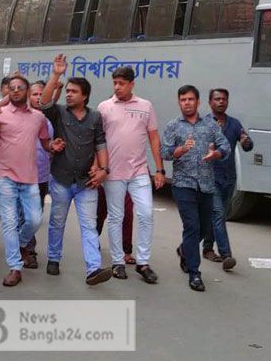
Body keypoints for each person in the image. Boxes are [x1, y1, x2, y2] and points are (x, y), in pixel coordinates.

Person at [37, 55, 111, 283]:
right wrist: (56, 74)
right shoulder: (59, 113)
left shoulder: (96, 117)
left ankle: (93, 269)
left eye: (73, 91)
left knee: (89, 225)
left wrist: (103, 170)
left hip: (86, 183)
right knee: (57, 221)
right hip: (60, 179)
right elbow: (44, 102)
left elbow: (100, 144)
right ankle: (53, 259)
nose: (68, 94)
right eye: (67, 91)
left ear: (85, 96)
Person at [0, 76, 50, 287]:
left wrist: (53, 145)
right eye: (12, 88)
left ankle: (19, 244)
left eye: (20, 88)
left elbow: (45, 143)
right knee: (9, 222)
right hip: (5, 175)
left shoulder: (39, 118)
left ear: (28, 91)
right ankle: (15, 267)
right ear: (7, 92)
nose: (16, 91)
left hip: (30, 177)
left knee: (35, 220)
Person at [98, 66, 163, 283]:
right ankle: (118, 262)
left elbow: (154, 138)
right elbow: (98, 141)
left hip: (139, 172)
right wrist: (99, 167)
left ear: (132, 84)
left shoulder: (146, 106)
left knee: (146, 214)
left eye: (122, 83)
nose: (117, 87)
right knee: (116, 217)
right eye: (114, 83)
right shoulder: (104, 107)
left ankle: (143, 263)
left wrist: (159, 169)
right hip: (113, 173)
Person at [162, 85, 231, 292]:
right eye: (183, 99)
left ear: (198, 102)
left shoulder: (210, 125)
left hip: (207, 184)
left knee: (205, 227)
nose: (187, 103)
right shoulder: (173, 126)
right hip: (183, 184)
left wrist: (216, 154)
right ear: (179, 102)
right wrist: (179, 150)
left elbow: (225, 146)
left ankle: (184, 250)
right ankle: (195, 273)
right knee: (191, 227)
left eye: (190, 99)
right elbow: (164, 152)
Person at [201, 88, 252, 270]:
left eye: (224, 99)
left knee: (214, 216)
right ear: (210, 102)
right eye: (217, 99)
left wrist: (246, 141)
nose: (221, 102)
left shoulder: (235, 124)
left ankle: (207, 248)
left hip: (229, 179)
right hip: (210, 177)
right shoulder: (204, 123)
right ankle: (226, 255)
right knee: (218, 214)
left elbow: (248, 145)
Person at [17, 80, 56, 268]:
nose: (39, 98)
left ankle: (25, 246)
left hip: (40, 176)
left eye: (42, 94)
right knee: (20, 214)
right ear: (27, 96)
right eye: (35, 94)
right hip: (17, 173)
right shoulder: (18, 116)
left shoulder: (46, 121)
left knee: (34, 216)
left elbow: (49, 145)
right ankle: (24, 250)